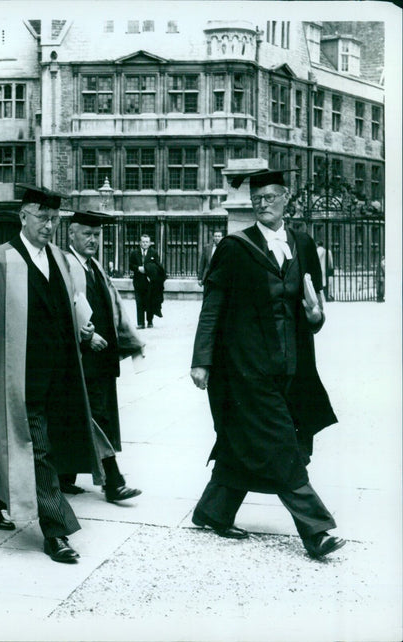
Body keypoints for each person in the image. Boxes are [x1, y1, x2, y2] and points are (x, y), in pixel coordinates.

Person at [0, 185, 107, 564]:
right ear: (23, 217)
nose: (49, 225)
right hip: (19, 376)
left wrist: (89, 333)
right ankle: (56, 532)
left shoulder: (61, 260)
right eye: (42, 217)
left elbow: (72, 310)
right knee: (39, 451)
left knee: (41, 446)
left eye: (54, 219)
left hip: (60, 375)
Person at [189, 168, 345, 559]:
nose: (263, 204)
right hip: (247, 368)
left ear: (285, 198)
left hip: (294, 367)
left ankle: (213, 510)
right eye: (257, 199)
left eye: (271, 197)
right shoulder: (235, 247)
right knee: (280, 445)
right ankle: (316, 531)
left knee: (250, 441)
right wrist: (202, 361)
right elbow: (212, 308)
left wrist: (315, 317)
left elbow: (314, 313)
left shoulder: (304, 245)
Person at [62, 210, 145, 502]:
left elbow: (114, 305)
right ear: (71, 234)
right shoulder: (66, 264)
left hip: (101, 359)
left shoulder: (94, 265)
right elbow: (65, 308)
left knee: (87, 415)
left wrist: (131, 340)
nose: (93, 239)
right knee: (96, 417)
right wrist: (85, 334)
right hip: (82, 358)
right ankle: (113, 481)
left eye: (96, 235)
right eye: (86, 234)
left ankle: (63, 476)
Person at [128, 234, 165, 328]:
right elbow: (130, 265)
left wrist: (148, 269)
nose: (145, 244)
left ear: (150, 243)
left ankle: (150, 321)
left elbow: (158, 266)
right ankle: (140, 323)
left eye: (146, 242)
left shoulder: (154, 253)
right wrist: (138, 268)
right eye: (143, 242)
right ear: (140, 243)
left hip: (150, 282)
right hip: (138, 281)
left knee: (149, 301)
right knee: (139, 301)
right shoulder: (134, 253)